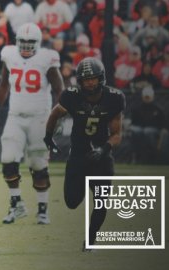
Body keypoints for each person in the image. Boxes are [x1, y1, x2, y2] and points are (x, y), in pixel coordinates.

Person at [43, 57, 125, 251]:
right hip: (78, 155)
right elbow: (54, 114)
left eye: (94, 78)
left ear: (101, 78)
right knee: (71, 202)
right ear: (79, 80)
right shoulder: (72, 95)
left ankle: (90, 242)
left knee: (101, 201)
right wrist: (48, 137)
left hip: (101, 157)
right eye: (86, 78)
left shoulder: (114, 98)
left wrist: (103, 149)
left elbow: (116, 134)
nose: (90, 82)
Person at [0, 23, 64, 225]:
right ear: (16, 42)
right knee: (8, 159)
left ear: (38, 43)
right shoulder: (10, 55)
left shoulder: (47, 58)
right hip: (15, 116)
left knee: (38, 164)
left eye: (31, 42)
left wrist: (58, 117)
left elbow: (59, 90)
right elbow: (4, 85)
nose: (27, 46)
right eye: (23, 42)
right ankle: (16, 204)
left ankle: (42, 209)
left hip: (40, 117)